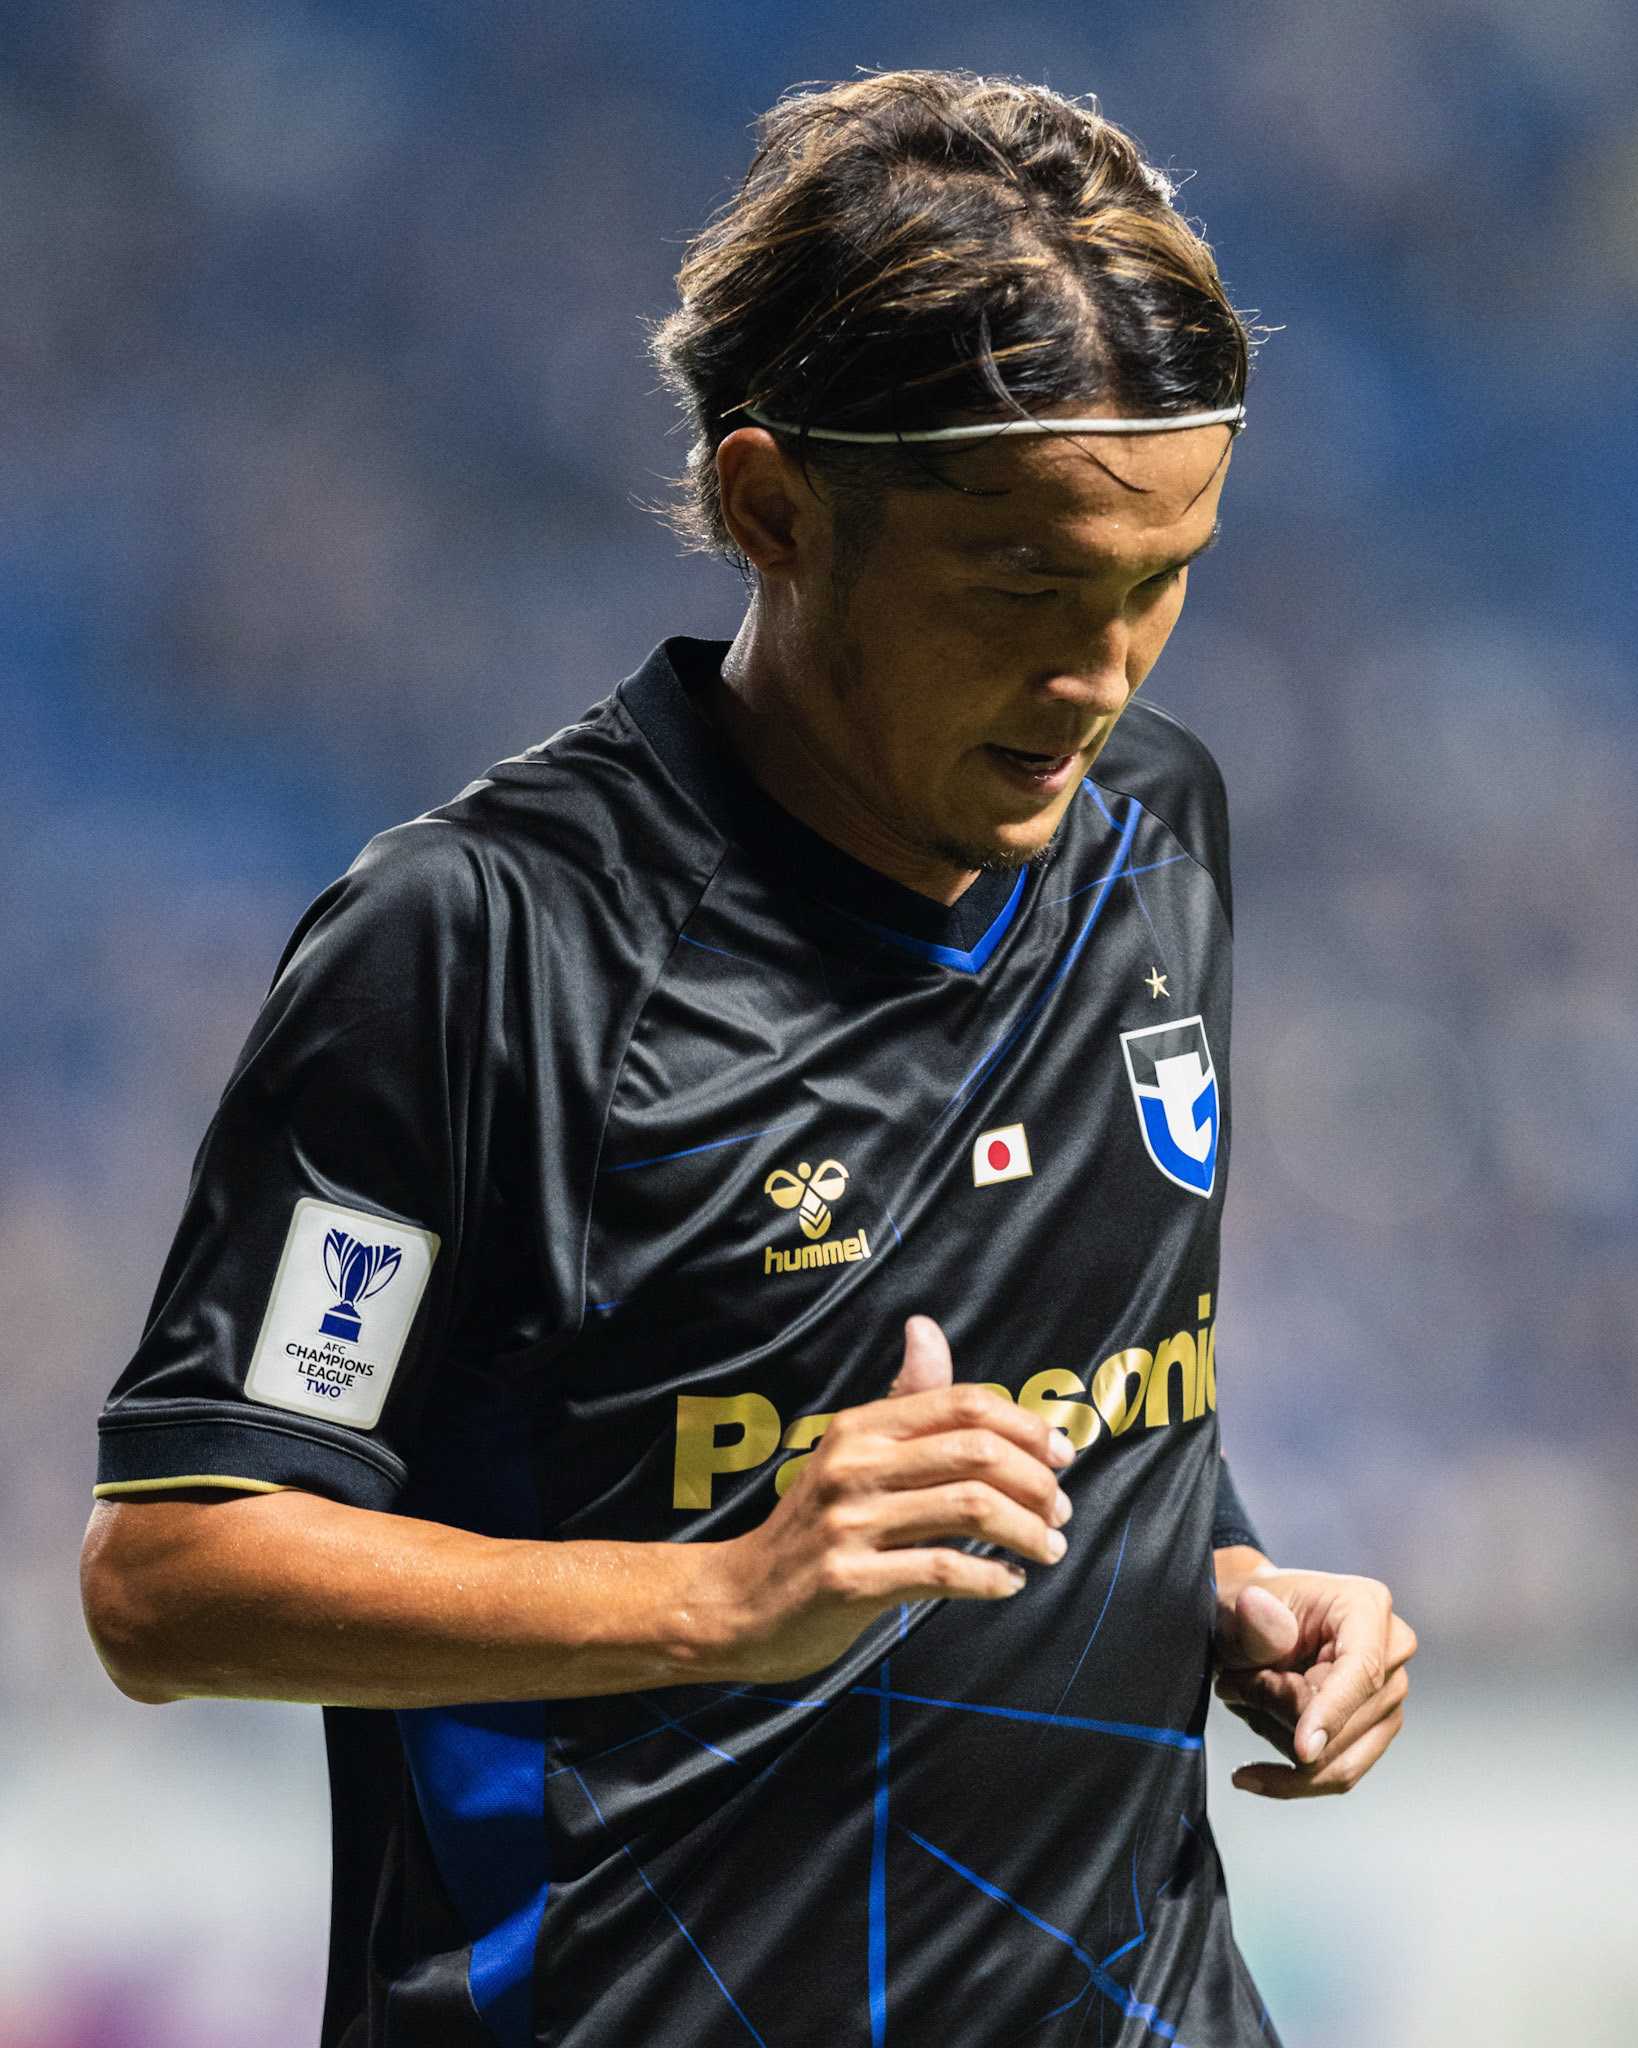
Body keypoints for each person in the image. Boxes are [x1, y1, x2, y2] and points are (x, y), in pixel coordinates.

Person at [81, 70, 1415, 2048]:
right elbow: (175, 1572)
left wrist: (1215, 1571)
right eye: (1024, 585)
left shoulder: (1155, 829)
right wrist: (721, 1596)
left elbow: (1065, 1356)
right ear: (774, 504)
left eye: (1162, 580)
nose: (1102, 670)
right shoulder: (479, 945)